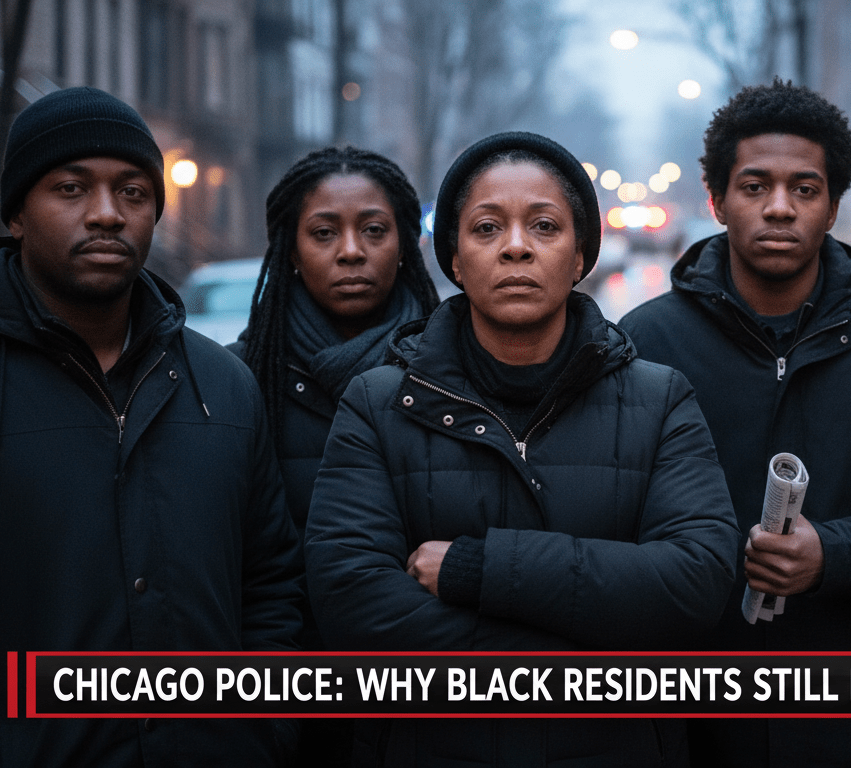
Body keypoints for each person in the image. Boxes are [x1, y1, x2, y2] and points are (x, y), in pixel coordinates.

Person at [304, 131, 740, 766]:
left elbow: (695, 582)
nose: (515, 247)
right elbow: (353, 603)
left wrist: (478, 570)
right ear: (452, 258)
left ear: (581, 253)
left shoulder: (660, 398)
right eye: (486, 229)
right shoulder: (378, 403)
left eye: (543, 226)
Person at [619, 79, 851, 767]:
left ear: (835, 204)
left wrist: (833, 552)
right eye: (755, 186)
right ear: (717, 200)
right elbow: (610, 514)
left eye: (805, 189)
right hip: (689, 714)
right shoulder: (645, 342)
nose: (780, 208)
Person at [0, 87, 303, 765]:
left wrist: (261, 731)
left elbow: (271, 586)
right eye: (70, 188)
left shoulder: (224, 386)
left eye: (132, 191)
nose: (106, 214)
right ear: (17, 215)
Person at [230, 146, 441, 767]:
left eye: (374, 230)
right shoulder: (241, 381)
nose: (351, 250)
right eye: (324, 232)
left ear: (405, 242)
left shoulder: (458, 373)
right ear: (290, 249)